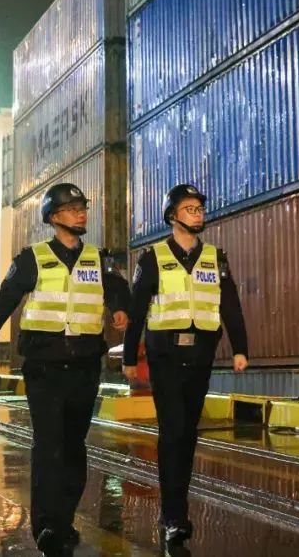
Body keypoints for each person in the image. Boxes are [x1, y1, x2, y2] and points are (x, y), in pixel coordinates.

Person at [0, 182, 129, 557]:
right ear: (53, 217)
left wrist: (121, 308)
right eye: (72, 208)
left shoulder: (98, 259)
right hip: (45, 369)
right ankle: (47, 526)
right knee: (50, 446)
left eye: (83, 207)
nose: (81, 213)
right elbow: (2, 306)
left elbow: (120, 289)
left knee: (74, 447)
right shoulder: (32, 259)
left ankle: (65, 520)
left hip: (85, 367)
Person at [123, 183, 248, 549]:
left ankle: (175, 509)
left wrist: (240, 348)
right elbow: (136, 310)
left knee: (188, 433)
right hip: (165, 357)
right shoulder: (153, 258)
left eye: (199, 209)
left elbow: (230, 305)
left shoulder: (215, 258)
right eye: (190, 209)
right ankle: (174, 516)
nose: (197, 214)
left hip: (201, 356)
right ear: (172, 216)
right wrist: (129, 356)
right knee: (173, 430)